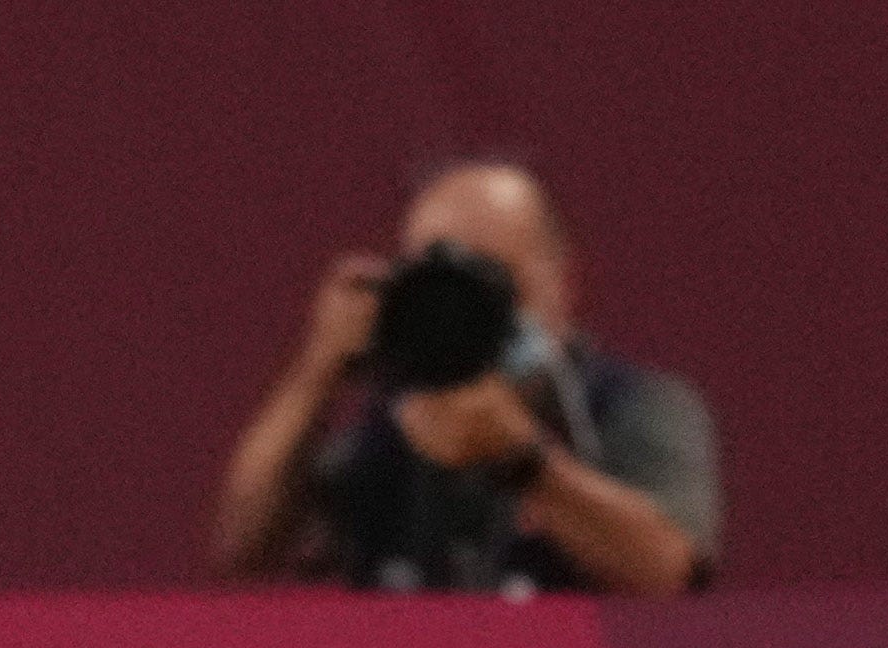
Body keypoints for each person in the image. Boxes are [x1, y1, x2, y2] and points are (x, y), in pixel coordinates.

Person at [212, 164, 720, 596]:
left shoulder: (633, 405)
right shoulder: (391, 423)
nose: (464, 309)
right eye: (438, 280)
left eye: (490, 280)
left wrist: (523, 460)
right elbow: (244, 548)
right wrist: (316, 372)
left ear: (560, 283)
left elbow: (672, 576)